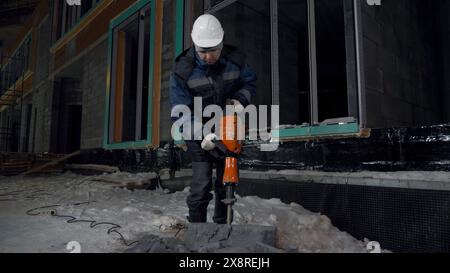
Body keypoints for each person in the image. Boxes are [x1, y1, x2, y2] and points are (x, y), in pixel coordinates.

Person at [170, 14, 257, 224]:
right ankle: (197, 229)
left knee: (226, 183)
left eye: (214, 50)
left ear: (221, 42)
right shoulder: (183, 71)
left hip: (227, 130)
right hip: (198, 134)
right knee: (201, 186)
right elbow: (181, 112)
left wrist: (239, 100)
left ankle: (221, 226)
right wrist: (202, 134)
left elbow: (249, 83)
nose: (209, 56)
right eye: (203, 51)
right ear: (195, 45)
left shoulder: (235, 61)